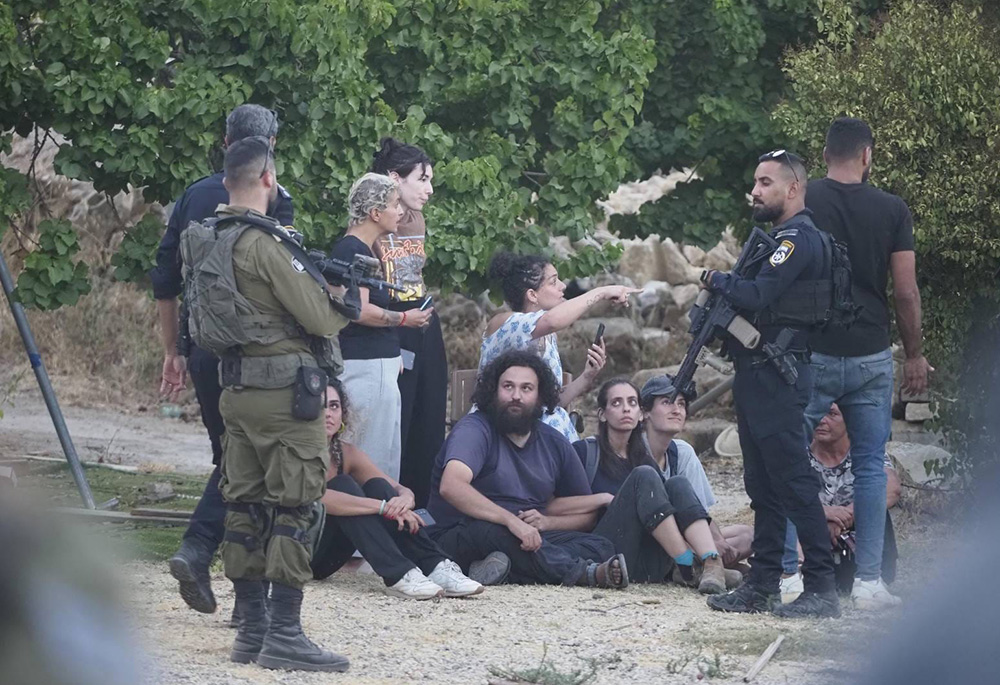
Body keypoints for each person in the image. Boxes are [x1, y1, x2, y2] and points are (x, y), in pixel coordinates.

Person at [206, 137, 350, 671]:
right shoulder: (266, 244)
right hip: (286, 398)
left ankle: (251, 630)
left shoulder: (210, 237)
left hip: (237, 391)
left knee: (243, 503)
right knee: (297, 506)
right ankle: (285, 633)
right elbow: (319, 318)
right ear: (268, 178)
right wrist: (339, 298)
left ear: (228, 180)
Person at [157, 104, 294, 617]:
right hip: (255, 356)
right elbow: (283, 284)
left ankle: (240, 595)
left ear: (225, 141)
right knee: (249, 466)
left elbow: (166, 281)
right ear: (271, 149)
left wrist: (173, 350)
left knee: (231, 459)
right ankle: (207, 558)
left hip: (202, 350)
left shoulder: (194, 194)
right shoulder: (275, 199)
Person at [702, 150, 840, 619]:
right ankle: (762, 585)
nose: (755, 191)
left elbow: (759, 294)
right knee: (762, 483)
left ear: (793, 187)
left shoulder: (797, 239)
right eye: (755, 182)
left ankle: (821, 587)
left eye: (765, 183)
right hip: (758, 373)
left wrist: (716, 278)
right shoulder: (779, 238)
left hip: (779, 375)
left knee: (793, 481)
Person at [801, 117, 930, 609]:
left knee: (792, 459)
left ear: (825, 152)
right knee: (872, 467)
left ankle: (793, 572)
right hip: (870, 353)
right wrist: (914, 354)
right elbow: (905, 289)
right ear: (867, 155)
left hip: (811, 349)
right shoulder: (893, 209)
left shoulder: (804, 199)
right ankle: (870, 583)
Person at [426, 350, 629, 589]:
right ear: (493, 391)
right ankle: (585, 573)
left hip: (529, 536)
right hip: (462, 533)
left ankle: (504, 569)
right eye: (508, 387)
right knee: (497, 533)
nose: (516, 396)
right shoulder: (475, 429)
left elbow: (585, 513)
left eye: (526, 389)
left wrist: (547, 523)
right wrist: (511, 521)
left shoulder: (555, 443)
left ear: (541, 396)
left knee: (600, 545)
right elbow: (452, 486)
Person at [523, 378, 732, 593]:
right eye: (616, 403)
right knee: (643, 476)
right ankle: (688, 566)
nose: (626, 409)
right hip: (611, 556)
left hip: (650, 560)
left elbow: (668, 515)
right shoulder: (584, 453)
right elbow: (549, 506)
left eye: (632, 403)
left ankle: (711, 563)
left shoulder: (643, 459)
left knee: (677, 483)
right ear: (602, 414)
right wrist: (603, 499)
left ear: (641, 414)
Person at [310, 378, 482, 599]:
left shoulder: (345, 452)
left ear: (343, 412)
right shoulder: (291, 452)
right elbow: (317, 496)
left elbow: (395, 488)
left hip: (331, 554)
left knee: (378, 486)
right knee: (344, 486)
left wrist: (404, 500)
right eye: (320, 405)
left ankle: (435, 566)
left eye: (334, 406)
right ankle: (399, 573)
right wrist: (382, 507)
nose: (328, 413)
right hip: (304, 555)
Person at [329, 173, 434, 482]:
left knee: (384, 458)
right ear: (375, 214)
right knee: (370, 459)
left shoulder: (361, 249)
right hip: (365, 367)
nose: (400, 212)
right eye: (393, 205)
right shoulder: (354, 251)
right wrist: (405, 319)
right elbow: (357, 310)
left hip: (377, 364)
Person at [480, 252, 641, 441]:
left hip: (548, 431)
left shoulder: (548, 336)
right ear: (532, 295)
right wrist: (601, 292)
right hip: (508, 428)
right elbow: (552, 320)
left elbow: (553, 403)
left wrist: (587, 375)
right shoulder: (505, 323)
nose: (563, 286)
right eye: (554, 281)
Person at [370, 138, 444, 508]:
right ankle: (387, 505)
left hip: (424, 319)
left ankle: (423, 510)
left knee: (429, 418)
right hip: (392, 324)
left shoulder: (418, 218)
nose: (429, 189)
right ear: (394, 178)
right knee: (395, 423)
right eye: (422, 179)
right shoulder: (371, 220)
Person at [779, 403, 901, 603]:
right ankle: (793, 576)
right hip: (812, 543)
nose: (821, 421)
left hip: (853, 542)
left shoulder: (863, 451)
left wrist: (847, 515)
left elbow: (892, 488)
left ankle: (871, 579)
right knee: (782, 510)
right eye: (817, 413)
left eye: (832, 414)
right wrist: (822, 514)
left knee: (879, 509)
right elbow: (781, 493)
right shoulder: (799, 453)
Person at [638, 375, 754, 568]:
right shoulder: (634, 450)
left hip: (686, 535)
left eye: (681, 404)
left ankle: (704, 561)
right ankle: (701, 561)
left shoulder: (682, 451)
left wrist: (716, 541)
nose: (676, 410)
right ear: (645, 412)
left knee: (748, 536)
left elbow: (698, 513)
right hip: (648, 540)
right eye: (667, 402)